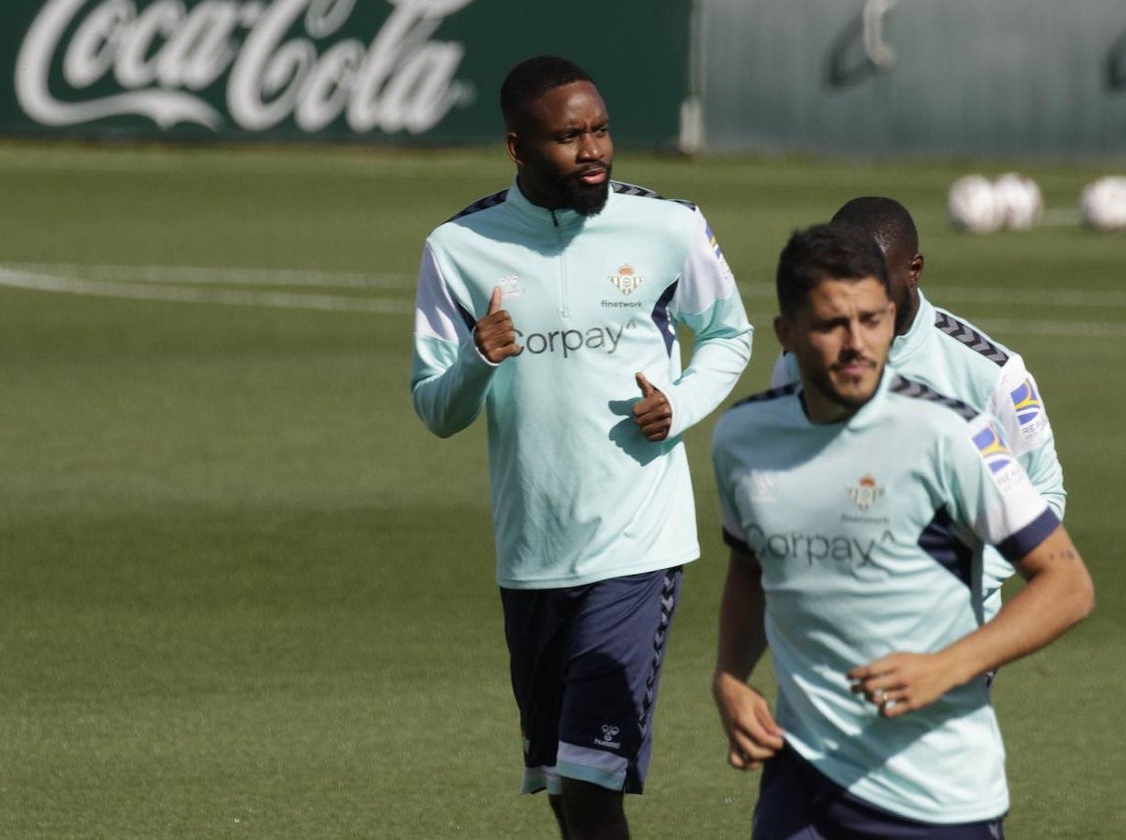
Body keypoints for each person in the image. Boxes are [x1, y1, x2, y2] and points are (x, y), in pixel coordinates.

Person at [410, 55, 754, 839]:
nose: (593, 150)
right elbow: (435, 409)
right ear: (517, 148)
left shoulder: (668, 226)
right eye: (569, 137)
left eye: (600, 130)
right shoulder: (458, 248)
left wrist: (682, 402)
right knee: (566, 788)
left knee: (594, 783)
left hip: (635, 549)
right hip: (530, 557)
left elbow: (731, 333)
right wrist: (479, 356)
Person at [711, 223, 1093, 838]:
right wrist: (729, 676)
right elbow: (750, 567)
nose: (856, 343)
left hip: (937, 794)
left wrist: (948, 666)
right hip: (801, 780)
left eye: (871, 320)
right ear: (787, 334)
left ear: (893, 316)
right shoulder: (742, 439)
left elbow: (1069, 584)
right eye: (833, 324)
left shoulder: (954, 434)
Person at [771, 196, 1066, 621]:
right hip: (835, 621)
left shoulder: (991, 372)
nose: (857, 298)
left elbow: (1045, 489)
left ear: (913, 270)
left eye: (873, 279)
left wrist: (968, 574)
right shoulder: (803, 360)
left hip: (953, 627)